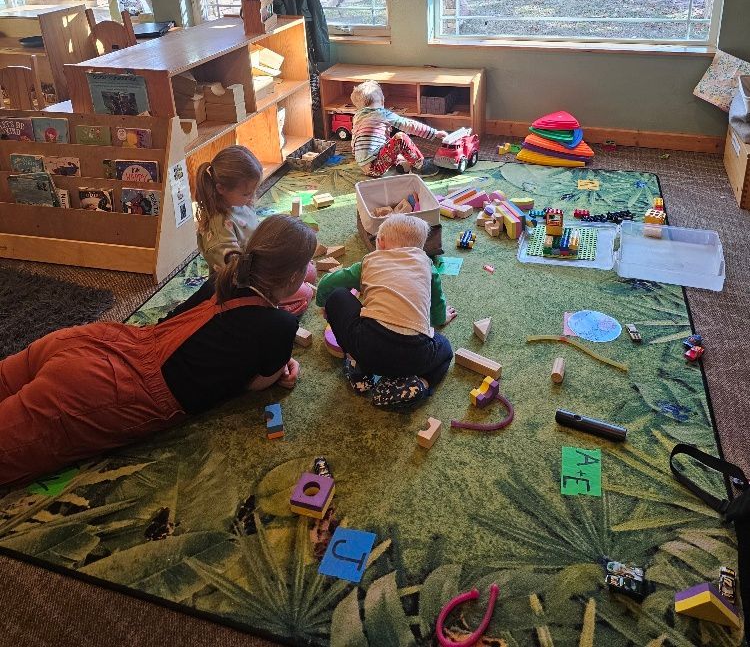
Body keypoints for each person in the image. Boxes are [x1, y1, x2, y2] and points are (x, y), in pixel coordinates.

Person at [0, 216, 316, 487]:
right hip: (103, 390)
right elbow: (254, 383)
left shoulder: (222, 280)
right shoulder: (281, 325)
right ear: (292, 277)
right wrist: (278, 364)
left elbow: (195, 329)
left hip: (96, 341)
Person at [316, 214, 454, 410]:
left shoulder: (369, 261)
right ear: (419, 249)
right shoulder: (427, 266)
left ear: (379, 242)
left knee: (337, 295)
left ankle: (358, 368)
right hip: (414, 355)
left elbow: (329, 283)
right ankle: (420, 384)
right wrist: (442, 318)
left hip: (367, 346)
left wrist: (324, 305)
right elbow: (436, 303)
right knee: (445, 349)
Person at [195, 144, 316, 315]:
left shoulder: (238, 203)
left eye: (253, 191)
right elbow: (237, 277)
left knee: (308, 271)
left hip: (261, 263)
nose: (252, 197)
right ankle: (272, 310)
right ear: (220, 188)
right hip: (248, 283)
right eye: (246, 194)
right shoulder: (218, 234)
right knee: (306, 292)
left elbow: (255, 232)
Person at [350, 80, 447, 178]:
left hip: (364, 166)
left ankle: (401, 165)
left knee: (392, 145)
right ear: (382, 100)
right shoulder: (382, 113)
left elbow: (354, 140)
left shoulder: (357, 117)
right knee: (400, 138)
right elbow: (409, 125)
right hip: (376, 167)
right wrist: (434, 133)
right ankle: (421, 166)